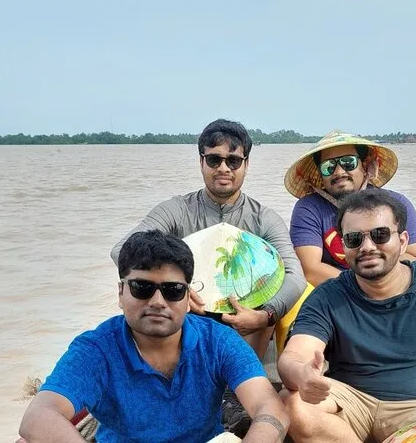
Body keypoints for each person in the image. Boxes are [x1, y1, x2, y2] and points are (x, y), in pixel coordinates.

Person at [18, 230, 289, 443]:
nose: (158, 301)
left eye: (172, 290)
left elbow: (269, 407)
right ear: (121, 293)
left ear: (188, 297)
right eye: (142, 287)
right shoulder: (96, 350)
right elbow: (39, 416)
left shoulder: (217, 341)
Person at [277, 189, 416, 443]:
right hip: (350, 402)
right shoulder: (327, 296)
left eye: (380, 235)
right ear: (344, 247)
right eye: (354, 239)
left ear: (403, 241)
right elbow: (294, 356)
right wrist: (303, 376)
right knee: (292, 403)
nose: (367, 247)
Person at [111, 119, 307, 361]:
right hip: (187, 313)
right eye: (214, 159)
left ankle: (244, 375)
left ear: (246, 164)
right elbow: (121, 250)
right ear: (201, 162)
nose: (224, 168)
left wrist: (266, 315)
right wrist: (179, 288)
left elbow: (295, 275)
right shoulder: (176, 210)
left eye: (233, 161)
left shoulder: (264, 219)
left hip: (246, 322)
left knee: (270, 294)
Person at [284, 130, 416, 288]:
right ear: (320, 174)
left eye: (348, 162)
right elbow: (310, 270)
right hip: (337, 291)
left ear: (365, 165)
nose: (339, 172)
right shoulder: (309, 209)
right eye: (328, 166)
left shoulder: (396, 203)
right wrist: (363, 289)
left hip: (391, 288)